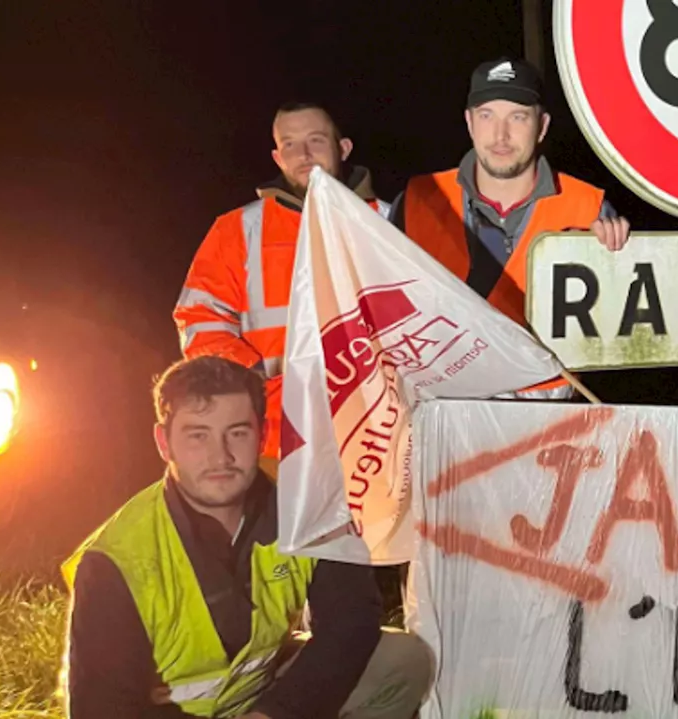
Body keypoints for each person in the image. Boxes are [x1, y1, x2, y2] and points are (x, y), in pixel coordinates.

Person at [58, 355, 434, 718]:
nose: (220, 456)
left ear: (263, 434)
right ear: (163, 442)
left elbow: (351, 621)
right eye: (197, 436)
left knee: (401, 662)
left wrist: (276, 713)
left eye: (237, 432)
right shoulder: (117, 561)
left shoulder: (307, 506)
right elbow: (101, 709)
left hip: (256, 696)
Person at [387, 56, 630, 401]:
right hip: (440, 410)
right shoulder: (417, 201)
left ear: (542, 126)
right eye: (487, 116)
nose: (501, 135)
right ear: (469, 122)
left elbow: (619, 335)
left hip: (546, 420)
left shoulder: (589, 208)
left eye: (518, 117)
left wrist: (617, 261)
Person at [173, 102, 391, 475]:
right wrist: (256, 382)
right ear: (276, 156)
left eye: (316, 141)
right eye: (289, 144)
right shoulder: (237, 230)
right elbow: (200, 320)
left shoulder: (390, 221)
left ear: (344, 148)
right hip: (276, 442)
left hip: (380, 439)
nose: (303, 155)